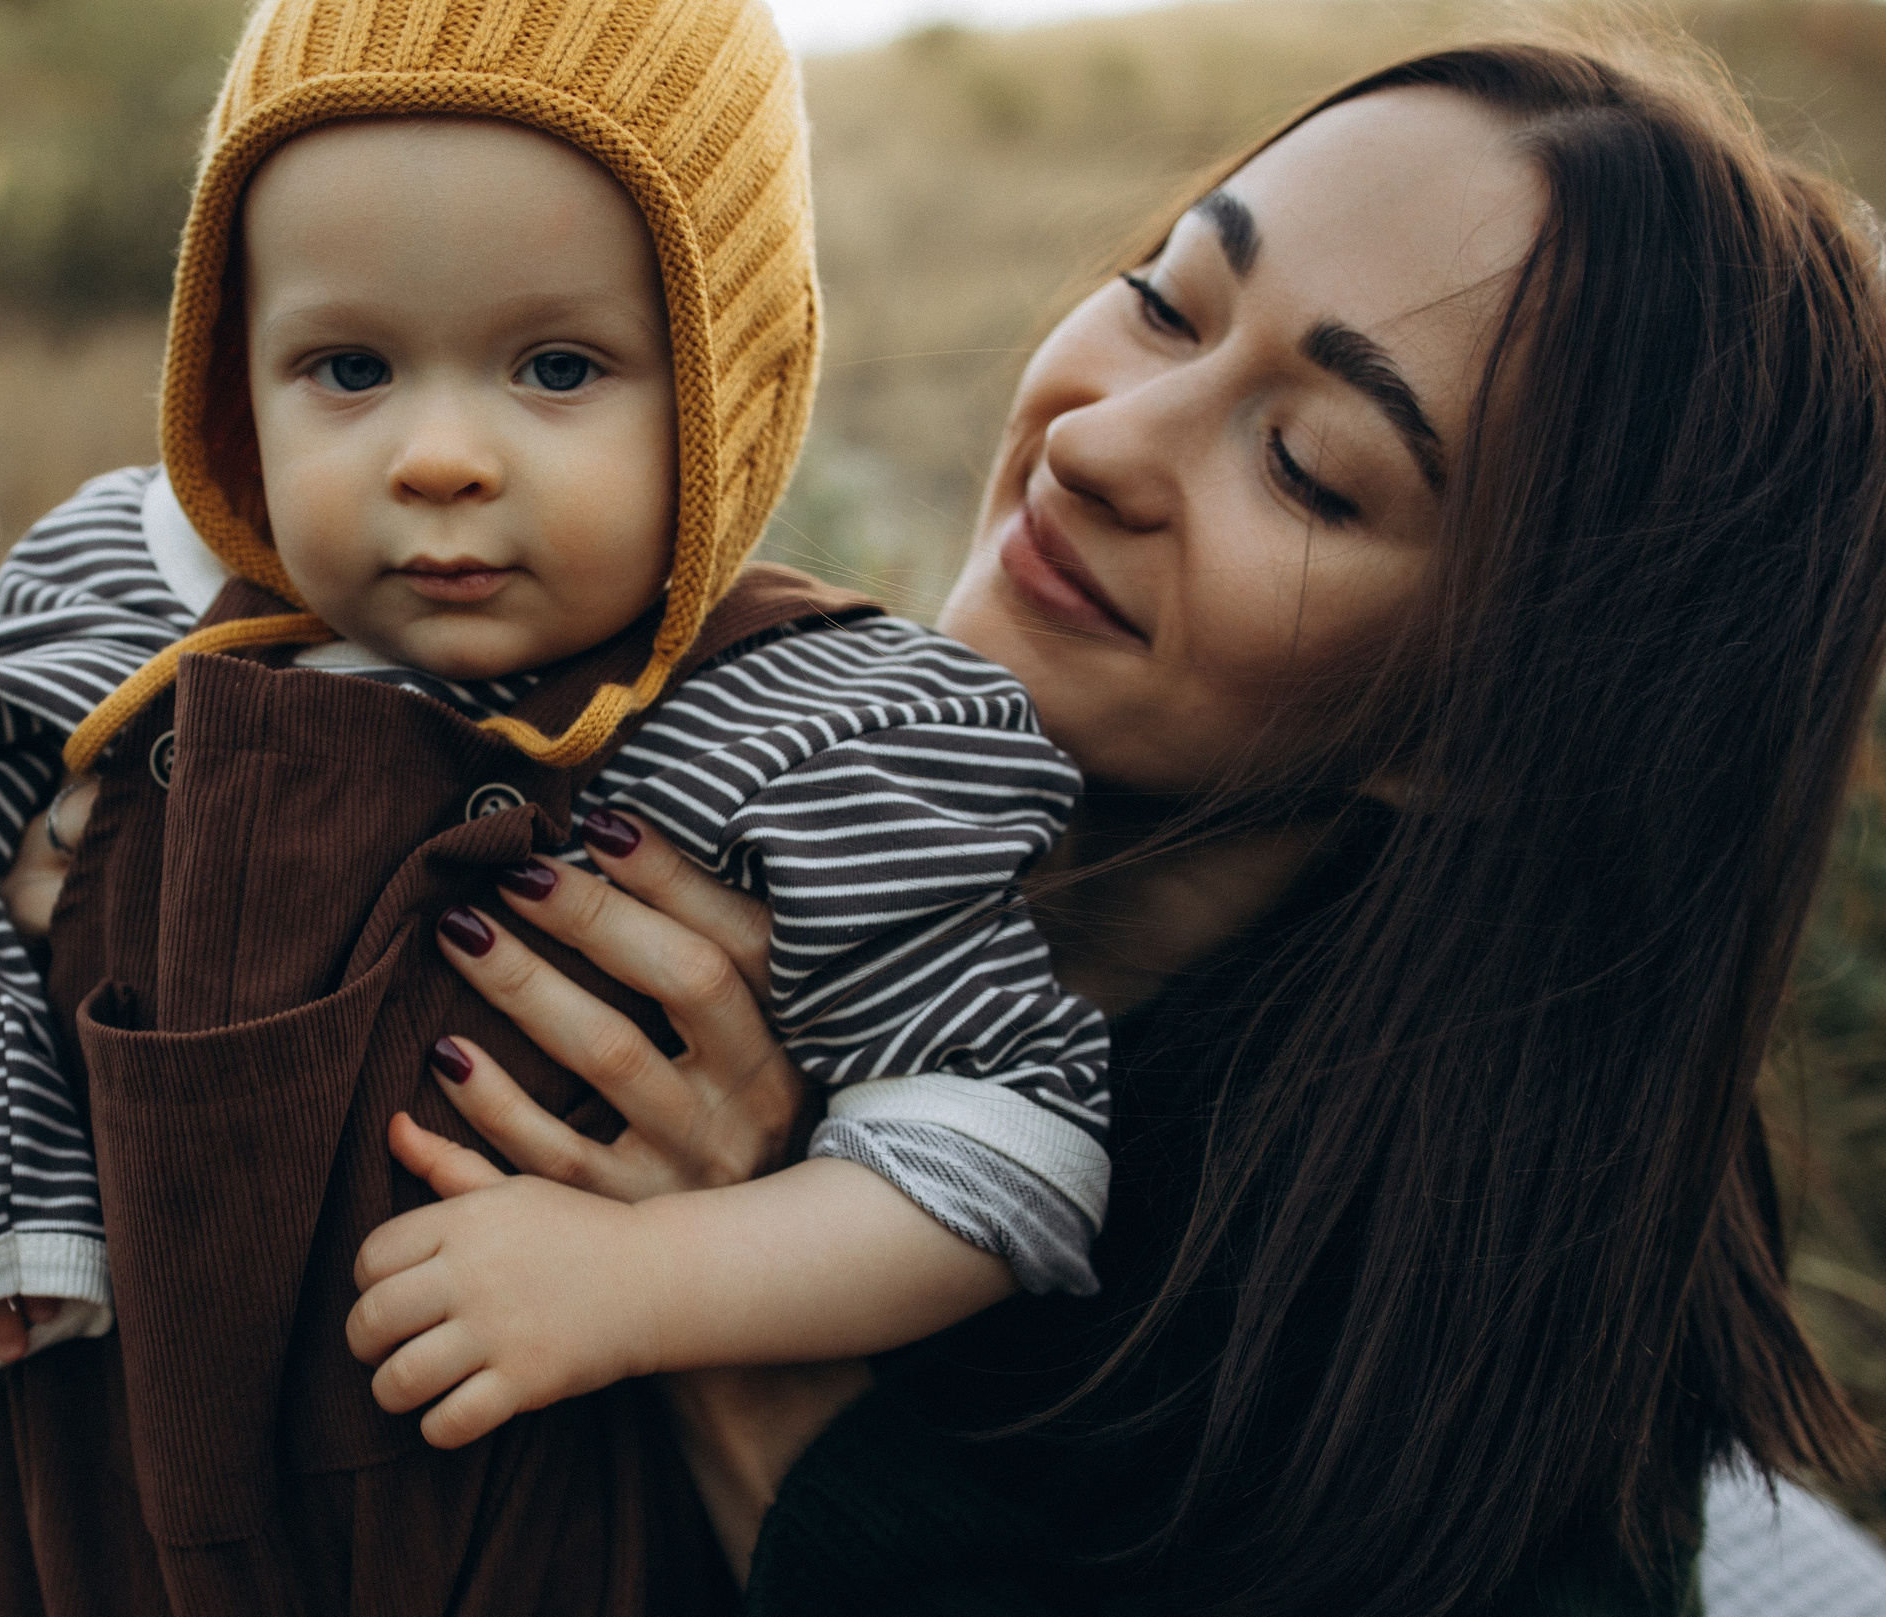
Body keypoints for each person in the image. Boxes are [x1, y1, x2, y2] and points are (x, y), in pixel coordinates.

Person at [259, 35, 1882, 1616]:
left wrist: (759, 1346)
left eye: (1309, 466)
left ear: (1494, 732)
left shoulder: (1479, 1385)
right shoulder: (733, 732)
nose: (1098, 441)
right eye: (1167, 302)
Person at [0, 0, 1123, 1604]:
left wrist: (650, 1276)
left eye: (558, 367)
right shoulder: (131, 599)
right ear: (231, 369)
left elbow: (1007, 1149)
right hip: (80, 1524)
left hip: (520, 1541)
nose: (436, 456)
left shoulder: (801, 730)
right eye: (347, 367)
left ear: (729, 383)